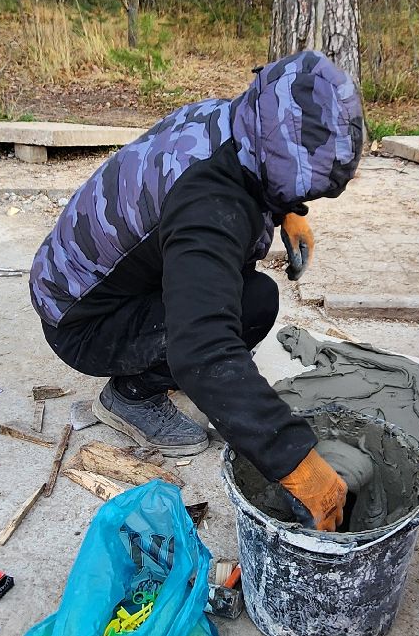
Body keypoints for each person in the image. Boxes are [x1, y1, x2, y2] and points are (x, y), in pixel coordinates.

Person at [29, 50, 366, 531]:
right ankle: (131, 397)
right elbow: (204, 350)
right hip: (80, 320)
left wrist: (285, 210)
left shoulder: (235, 118)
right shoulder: (208, 205)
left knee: (241, 293)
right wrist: (297, 463)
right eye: (304, 190)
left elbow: (256, 169)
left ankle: (146, 371)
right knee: (251, 305)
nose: (307, 200)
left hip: (83, 279)